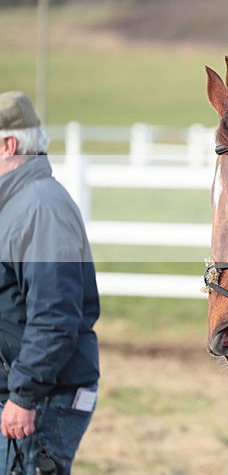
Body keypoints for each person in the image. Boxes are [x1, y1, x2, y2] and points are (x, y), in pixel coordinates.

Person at [0, 91, 100, 474]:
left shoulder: (41, 208)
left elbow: (54, 316)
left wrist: (24, 396)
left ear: (9, 145)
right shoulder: (16, 205)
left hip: (43, 398)